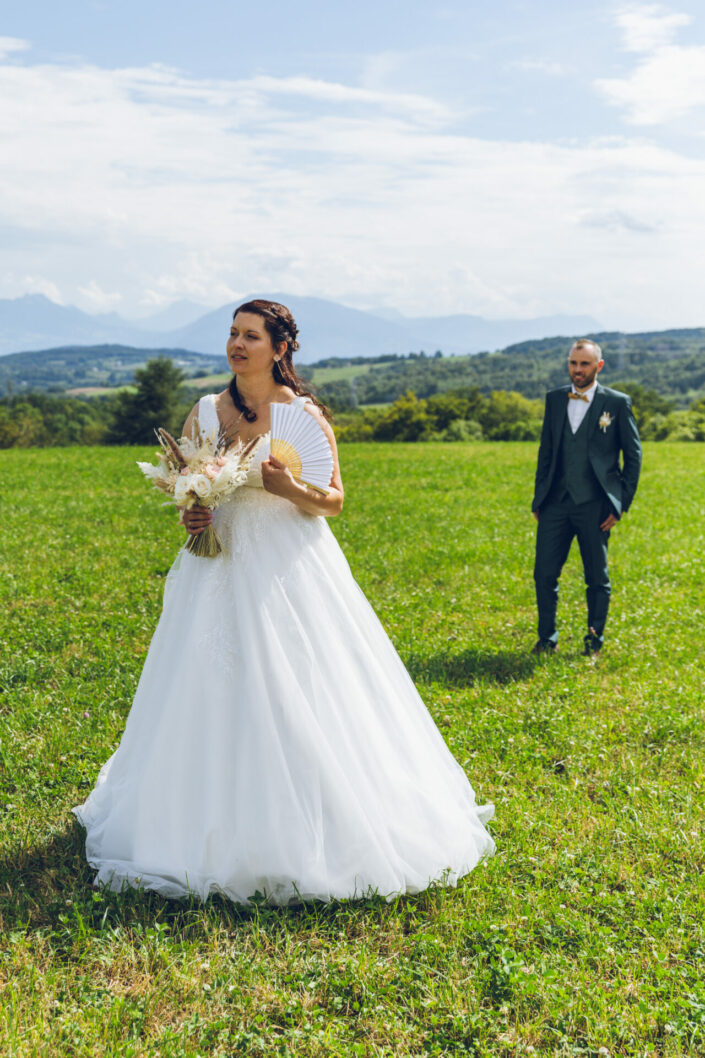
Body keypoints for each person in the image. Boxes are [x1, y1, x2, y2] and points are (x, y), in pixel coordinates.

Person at [74, 299, 494, 904]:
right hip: (215, 568)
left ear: (280, 349)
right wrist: (193, 512)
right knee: (207, 683)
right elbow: (191, 487)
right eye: (232, 334)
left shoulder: (302, 414)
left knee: (298, 683)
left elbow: (335, 501)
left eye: (251, 336)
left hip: (288, 568)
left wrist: (290, 485)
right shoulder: (203, 413)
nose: (237, 345)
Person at [531, 338, 641, 658]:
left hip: (595, 506)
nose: (577, 370)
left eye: (584, 364)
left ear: (599, 366)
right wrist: (540, 497)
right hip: (554, 503)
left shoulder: (617, 403)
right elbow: (546, 452)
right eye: (573, 363)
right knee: (544, 573)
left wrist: (620, 505)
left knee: (597, 577)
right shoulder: (554, 400)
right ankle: (547, 638)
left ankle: (593, 642)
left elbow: (632, 458)